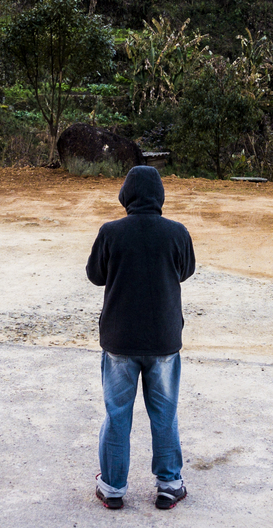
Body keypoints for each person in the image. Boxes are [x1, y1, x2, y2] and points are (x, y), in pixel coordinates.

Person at [86, 165, 196, 510]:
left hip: (119, 340)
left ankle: (113, 488)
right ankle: (169, 485)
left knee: (117, 414)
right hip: (163, 340)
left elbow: (95, 275)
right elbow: (186, 270)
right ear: (159, 195)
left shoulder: (111, 232)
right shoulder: (177, 233)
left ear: (126, 195)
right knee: (164, 414)